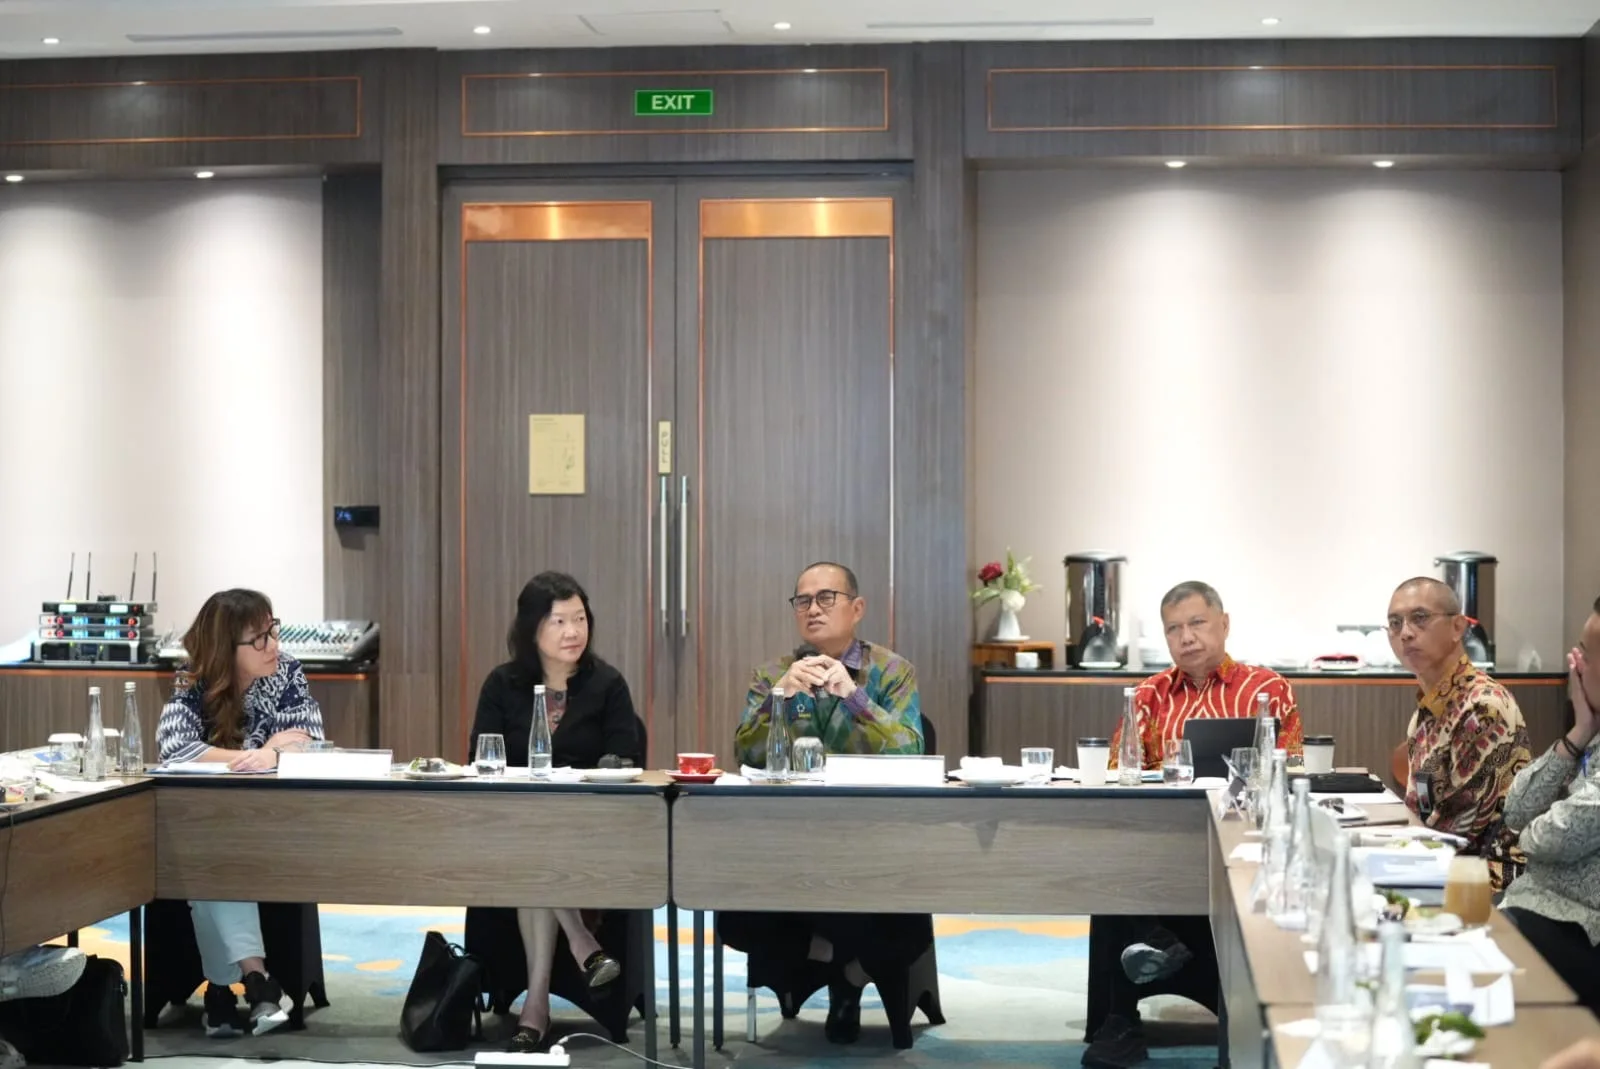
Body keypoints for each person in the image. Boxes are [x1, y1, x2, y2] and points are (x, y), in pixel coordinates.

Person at [1087, 581, 1301, 1069]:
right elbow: (1122, 775)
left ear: (1224, 624)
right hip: (1161, 848)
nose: (1186, 637)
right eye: (1174, 629)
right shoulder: (1148, 695)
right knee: (1111, 845)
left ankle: (1156, 944)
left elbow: (1288, 771)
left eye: (1197, 623)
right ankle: (1122, 1016)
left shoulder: (1267, 690)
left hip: (1242, 842)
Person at [722, 561, 926, 1044]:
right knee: (734, 915)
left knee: (901, 924)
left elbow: (911, 750)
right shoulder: (773, 674)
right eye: (803, 601)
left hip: (872, 840)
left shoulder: (892, 672)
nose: (812, 609)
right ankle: (841, 964)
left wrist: (854, 696)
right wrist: (779, 697)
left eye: (826, 598)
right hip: (789, 840)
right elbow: (746, 753)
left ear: (857, 608)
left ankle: (847, 977)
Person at [466, 572, 639, 1054]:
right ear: (531, 628)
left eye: (580, 619)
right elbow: (481, 757)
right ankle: (581, 945)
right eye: (559, 621)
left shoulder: (607, 685)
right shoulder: (503, 684)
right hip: (516, 828)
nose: (573, 631)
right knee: (531, 845)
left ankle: (535, 1008)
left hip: (589, 830)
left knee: (533, 851)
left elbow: (627, 759)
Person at [156, 589, 323, 1037]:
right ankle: (258, 980)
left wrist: (270, 752)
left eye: (274, 631)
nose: (273, 645)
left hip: (274, 822)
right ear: (225, 647)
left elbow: (309, 737)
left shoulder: (286, 671)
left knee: (208, 861)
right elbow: (174, 748)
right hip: (214, 825)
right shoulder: (193, 680)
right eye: (259, 639)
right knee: (212, 854)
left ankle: (220, 989)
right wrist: (257, 755)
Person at [1387, 576, 1530, 891]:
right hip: (1440, 863)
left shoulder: (1482, 707)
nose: (1405, 632)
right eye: (1395, 623)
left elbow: (1455, 836)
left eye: (1420, 618)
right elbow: (1419, 812)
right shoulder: (1426, 711)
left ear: (1457, 627)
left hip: (1488, 878)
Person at [1499, 597, 1600, 1012]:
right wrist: (1579, 732)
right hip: (1532, 906)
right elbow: (1517, 810)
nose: (1575, 665)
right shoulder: (1594, 735)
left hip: (1581, 928)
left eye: (1584, 655)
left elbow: (1549, 838)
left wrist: (1528, 834)